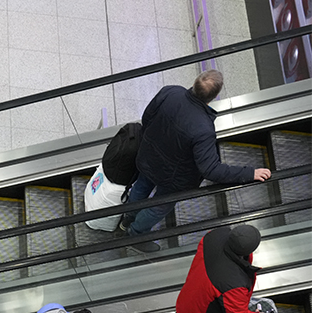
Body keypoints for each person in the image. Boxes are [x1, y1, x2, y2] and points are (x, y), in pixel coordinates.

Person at [115, 70, 271, 252]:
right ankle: (136, 234)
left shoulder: (170, 92)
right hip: (172, 178)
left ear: (195, 82)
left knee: (141, 187)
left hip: (149, 158)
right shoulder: (203, 128)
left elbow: (146, 118)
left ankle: (127, 219)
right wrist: (249, 173)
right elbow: (211, 169)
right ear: (214, 96)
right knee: (159, 206)